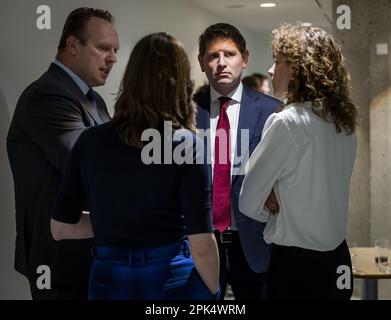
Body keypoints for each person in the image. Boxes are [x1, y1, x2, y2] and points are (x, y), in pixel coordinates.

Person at [50, 32, 220, 300]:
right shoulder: (188, 144)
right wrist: (214, 292)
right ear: (181, 83)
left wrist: (118, 221)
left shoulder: (90, 141)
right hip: (172, 275)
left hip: (109, 277)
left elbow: (60, 228)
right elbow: (201, 244)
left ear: (131, 78)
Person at [7, 7, 119, 300]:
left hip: (89, 256)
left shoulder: (92, 100)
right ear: (72, 45)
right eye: (103, 48)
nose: (113, 58)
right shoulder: (49, 95)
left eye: (115, 50)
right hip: (60, 261)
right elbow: (91, 167)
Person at [239, 24, 357, 300]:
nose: (270, 70)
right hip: (339, 261)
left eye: (278, 61)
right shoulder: (344, 122)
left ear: (297, 69)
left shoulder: (287, 122)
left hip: (297, 268)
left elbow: (247, 202)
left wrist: (280, 207)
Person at [194, 23, 281, 300]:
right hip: (201, 240)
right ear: (201, 62)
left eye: (229, 55)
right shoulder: (185, 110)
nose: (221, 63)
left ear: (244, 58)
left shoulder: (272, 111)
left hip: (254, 242)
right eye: (212, 56)